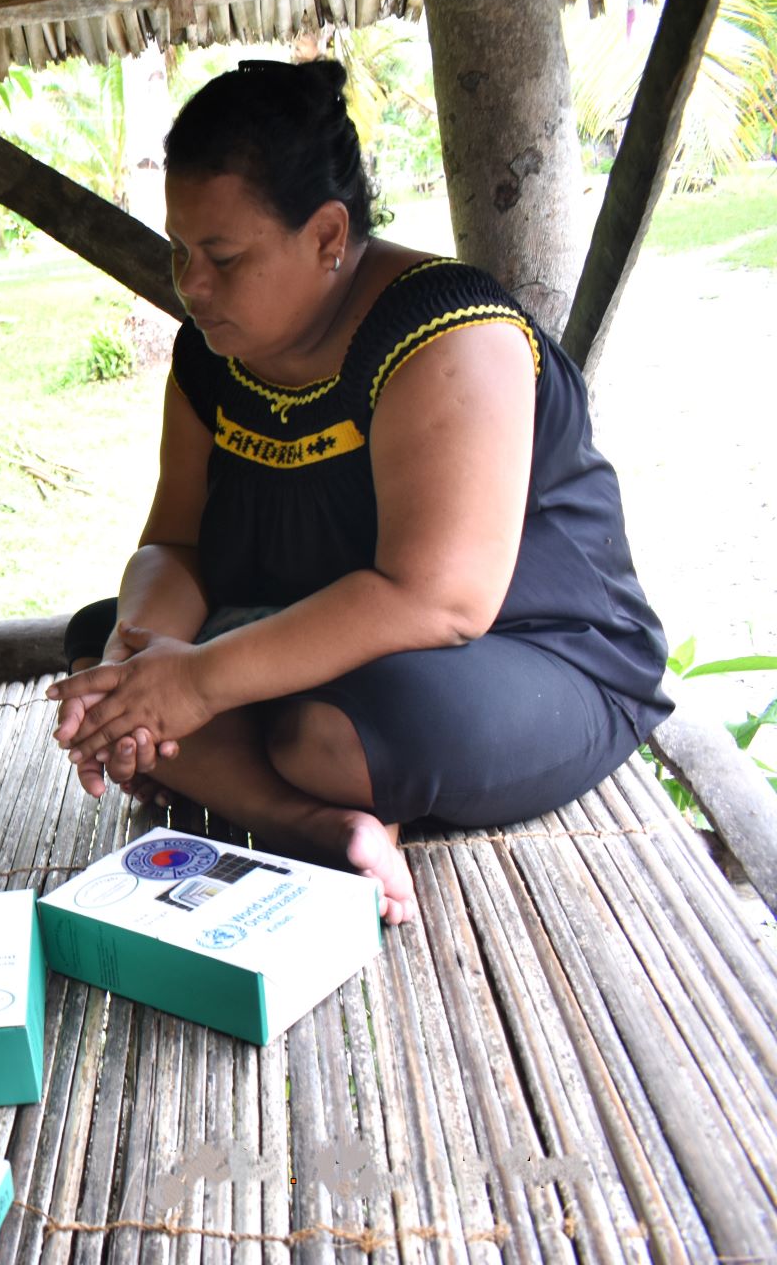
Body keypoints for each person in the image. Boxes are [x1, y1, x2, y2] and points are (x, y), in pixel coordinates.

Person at [47, 60, 669, 927]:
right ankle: (318, 826)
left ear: (328, 235)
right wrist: (139, 659)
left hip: (536, 659)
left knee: (335, 733)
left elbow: (439, 600)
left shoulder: (448, 337)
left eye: (223, 257)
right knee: (98, 647)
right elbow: (174, 545)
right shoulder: (211, 359)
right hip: (322, 643)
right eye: (180, 251)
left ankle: (260, 769)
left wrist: (197, 685)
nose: (192, 285)